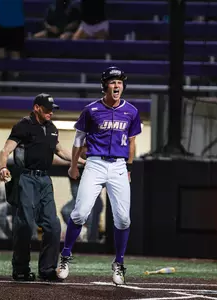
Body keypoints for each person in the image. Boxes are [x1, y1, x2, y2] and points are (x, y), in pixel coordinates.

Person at [57, 66, 142, 285]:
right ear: (105, 85)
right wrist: (74, 166)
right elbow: (78, 140)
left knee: (123, 218)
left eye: (120, 82)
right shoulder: (91, 109)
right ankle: (65, 255)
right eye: (113, 82)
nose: (117, 86)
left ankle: (119, 263)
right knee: (80, 213)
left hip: (119, 166)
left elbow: (132, 142)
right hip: (94, 163)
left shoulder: (131, 111)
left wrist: (129, 168)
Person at [0, 93, 82, 282]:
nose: (51, 112)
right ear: (37, 108)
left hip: (44, 180)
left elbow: (60, 151)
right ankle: (20, 268)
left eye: (53, 109)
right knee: (25, 225)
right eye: (47, 109)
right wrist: (2, 167)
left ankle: (47, 269)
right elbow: (5, 151)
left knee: (53, 225)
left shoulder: (52, 128)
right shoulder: (23, 125)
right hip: (26, 178)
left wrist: (81, 161)